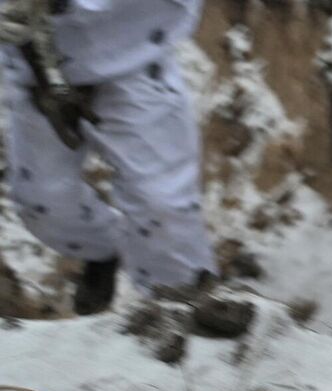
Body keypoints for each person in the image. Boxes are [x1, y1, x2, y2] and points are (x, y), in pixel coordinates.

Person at [1, 0, 217, 314]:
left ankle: (183, 311)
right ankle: (101, 250)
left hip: (132, 54)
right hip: (34, 64)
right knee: (42, 201)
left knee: (162, 205)